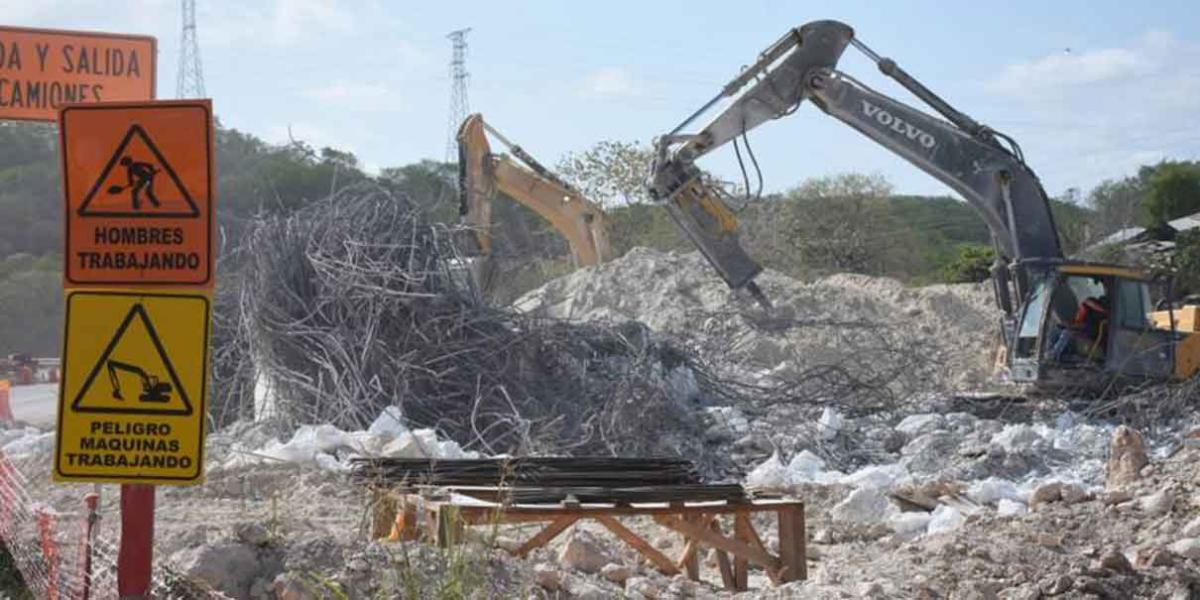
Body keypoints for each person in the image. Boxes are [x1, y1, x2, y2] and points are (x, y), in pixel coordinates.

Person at [1050, 294, 1109, 361]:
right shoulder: (1090, 311)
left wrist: (1071, 328)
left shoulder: (1098, 318)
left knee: (1065, 334)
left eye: (1081, 309)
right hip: (1082, 334)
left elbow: (1087, 328)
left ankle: (1053, 357)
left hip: (1089, 339)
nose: (1079, 311)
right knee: (1055, 332)